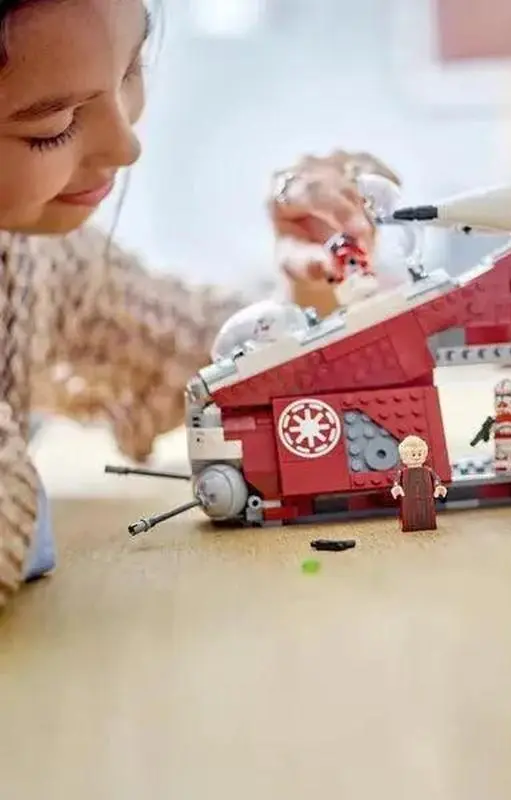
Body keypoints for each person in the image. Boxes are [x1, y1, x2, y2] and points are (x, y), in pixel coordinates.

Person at [0, 0, 401, 611]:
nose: (126, 145)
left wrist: (313, 288)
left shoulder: (37, 261)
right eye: (52, 126)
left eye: (130, 70)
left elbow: (207, 352)